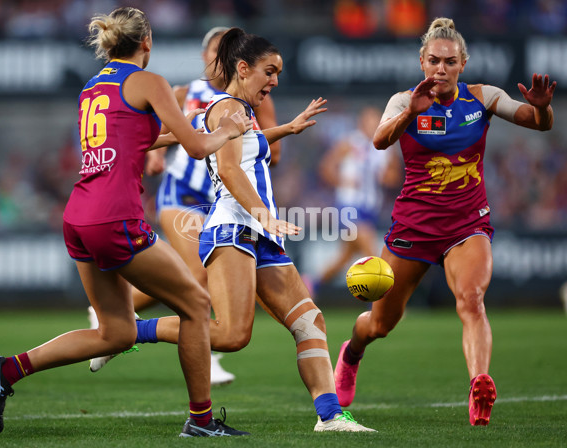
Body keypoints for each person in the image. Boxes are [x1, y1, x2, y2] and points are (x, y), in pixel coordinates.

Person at [0, 7, 253, 437]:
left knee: (116, 333)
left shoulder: (94, 85)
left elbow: (135, 140)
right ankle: (200, 421)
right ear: (147, 41)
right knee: (197, 306)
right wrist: (228, 130)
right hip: (115, 217)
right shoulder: (150, 81)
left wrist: (193, 130)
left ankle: (6, 370)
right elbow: (199, 149)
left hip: (80, 216)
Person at [129, 27, 376, 433]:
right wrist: (264, 214)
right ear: (243, 69)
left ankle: (330, 416)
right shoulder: (230, 110)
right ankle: (132, 331)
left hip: (258, 233)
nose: (275, 81)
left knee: (309, 319)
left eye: (277, 72)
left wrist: (288, 128)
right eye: (269, 71)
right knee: (231, 335)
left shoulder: (238, 113)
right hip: (234, 229)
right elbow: (227, 169)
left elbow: (246, 146)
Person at [333, 17, 556, 427]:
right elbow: (379, 140)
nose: (441, 69)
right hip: (412, 230)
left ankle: (479, 385)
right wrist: (409, 115)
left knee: (471, 300)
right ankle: (352, 352)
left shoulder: (482, 97)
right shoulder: (404, 101)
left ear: (462, 64)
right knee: (380, 324)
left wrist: (542, 110)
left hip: (467, 226)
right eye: (434, 60)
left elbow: (535, 122)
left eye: (449, 62)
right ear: (422, 61)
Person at [88, 26, 282, 386]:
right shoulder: (185, 91)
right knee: (199, 278)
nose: (216, 59)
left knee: (187, 277)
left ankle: (117, 316)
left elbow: (271, 153)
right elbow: (150, 132)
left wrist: (275, 136)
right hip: (180, 194)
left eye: (223, 51)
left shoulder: (255, 98)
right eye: (212, 52)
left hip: (218, 202)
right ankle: (205, 356)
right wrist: (157, 154)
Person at [316, 106, 401, 289]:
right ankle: (379, 301)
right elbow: (326, 168)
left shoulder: (386, 148)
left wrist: (385, 177)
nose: (372, 125)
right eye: (369, 121)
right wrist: (343, 181)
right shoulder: (349, 143)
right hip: (349, 206)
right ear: (361, 123)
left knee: (344, 259)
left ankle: (310, 285)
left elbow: (394, 178)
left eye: (376, 121)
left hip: (370, 208)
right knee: (372, 253)